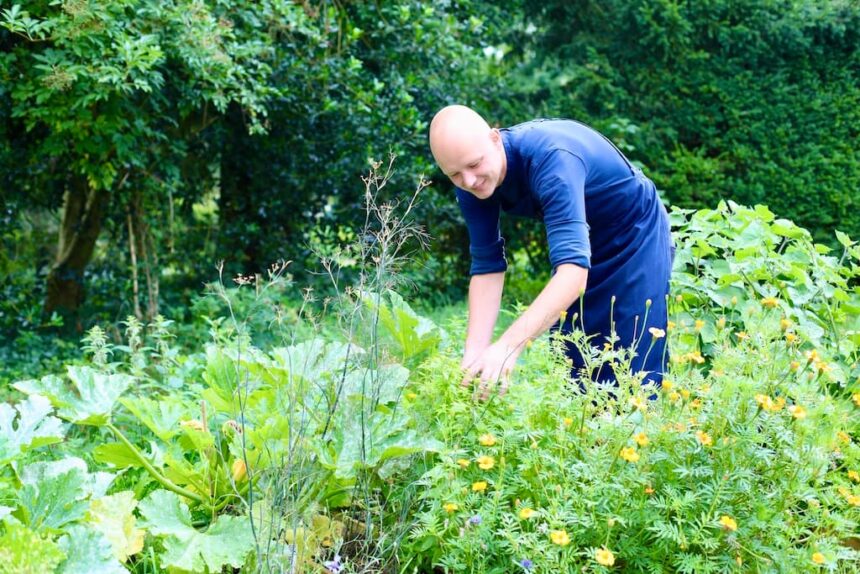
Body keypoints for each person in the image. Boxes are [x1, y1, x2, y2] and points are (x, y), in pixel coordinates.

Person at [428, 105, 674, 400]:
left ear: (495, 139)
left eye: (474, 165)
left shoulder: (552, 161)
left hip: (633, 235)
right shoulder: (471, 182)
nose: (468, 181)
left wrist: (507, 347)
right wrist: (473, 357)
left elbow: (572, 275)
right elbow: (487, 265)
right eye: (454, 174)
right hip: (584, 238)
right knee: (574, 357)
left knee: (630, 365)